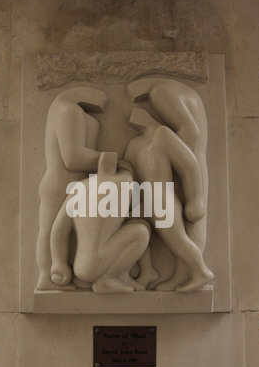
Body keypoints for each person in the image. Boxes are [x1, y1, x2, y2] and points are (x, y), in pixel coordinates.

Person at [124, 105, 213, 293]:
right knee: (129, 225)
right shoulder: (134, 143)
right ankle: (148, 271)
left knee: (176, 239)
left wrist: (195, 198)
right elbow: (129, 172)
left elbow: (188, 165)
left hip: (161, 197)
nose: (132, 116)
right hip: (142, 197)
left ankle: (201, 271)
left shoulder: (162, 133)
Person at [36, 87, 107, 290]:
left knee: (73, 233)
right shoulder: (68, 110)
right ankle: (47, 278)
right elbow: (73, 158)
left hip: (76, 186)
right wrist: (114, 159)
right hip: (60, 184)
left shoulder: (70, 111)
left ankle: (65, 274)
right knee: (50, 231)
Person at [50, 152, 150, 293]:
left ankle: (122, 275)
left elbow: (59, 229)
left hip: (80, 268)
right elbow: (137, 209)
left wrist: (59, 263)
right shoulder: (123, 182)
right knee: (141, 232)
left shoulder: (80, 187)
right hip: (100, 263)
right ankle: (107, 279)